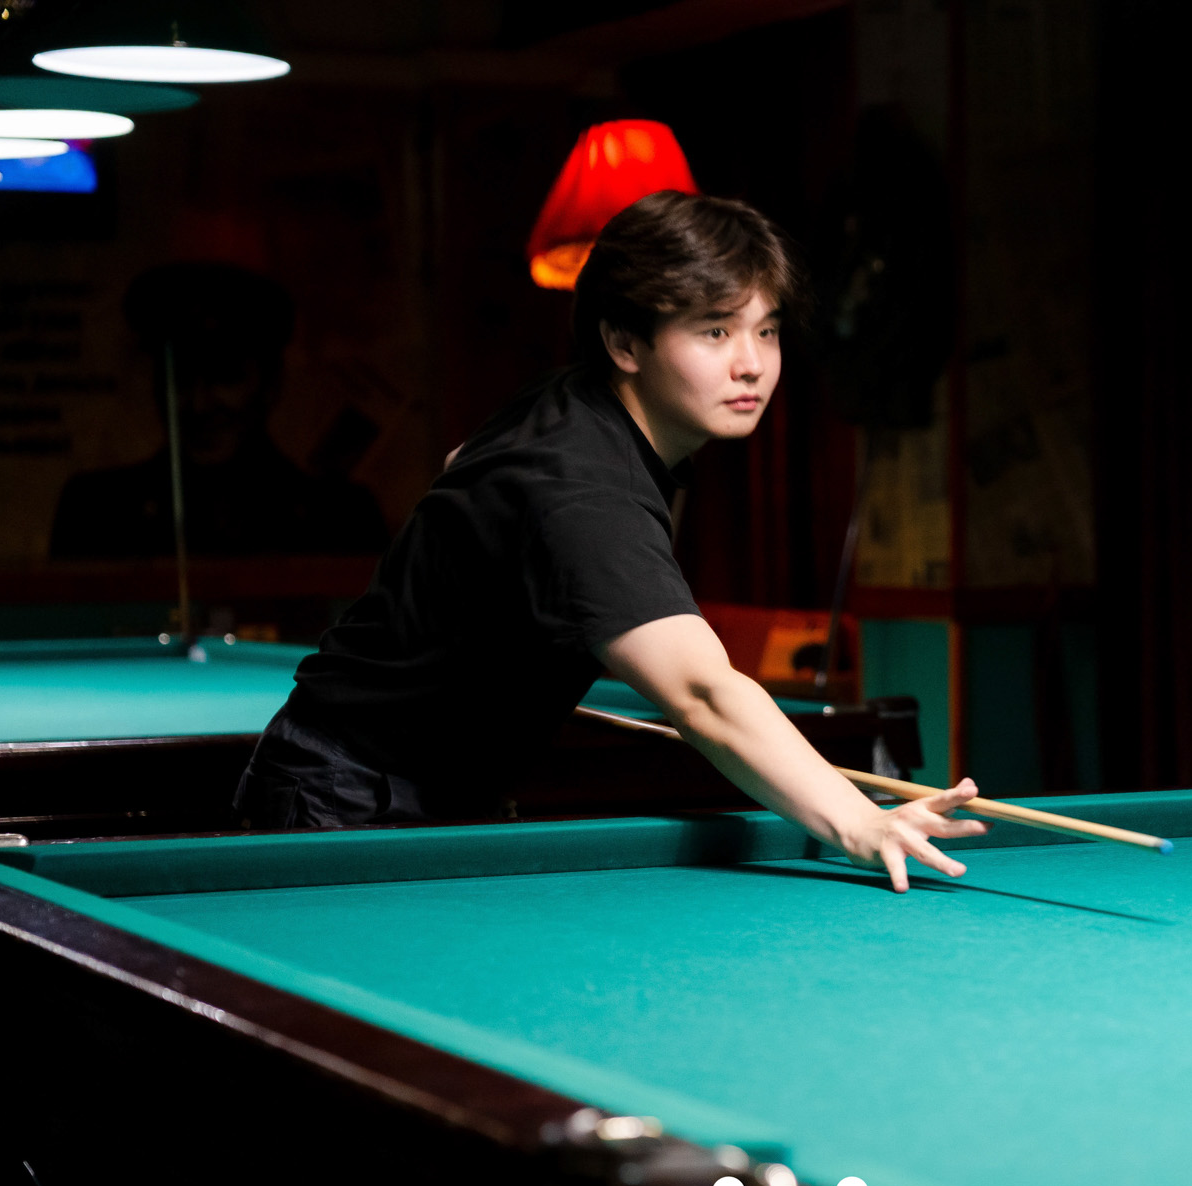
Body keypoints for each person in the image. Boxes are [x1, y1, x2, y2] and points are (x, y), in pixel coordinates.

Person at [234, 192, 985, 892]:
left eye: (767, 329)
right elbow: (704, 694)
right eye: (715, 331)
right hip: (346, 794)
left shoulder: (574, 406)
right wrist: (858, 820)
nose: (752, 363)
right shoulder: (583, 488)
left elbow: (462, 461)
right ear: (624, 341)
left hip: (405, 783)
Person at [48, 263, 387, 559]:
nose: (200, 405)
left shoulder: (341, 519)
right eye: (181, 378)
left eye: (226, 377)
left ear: (270, 385)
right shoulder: (96, 511)